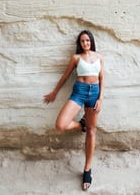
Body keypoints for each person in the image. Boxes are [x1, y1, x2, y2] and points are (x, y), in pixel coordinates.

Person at [43, 29, 104, 190]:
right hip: (79, 92)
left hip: (94, 93)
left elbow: (102, 78)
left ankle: (87, 170)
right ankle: (80, 125)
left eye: (88, 40)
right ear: (79, 43)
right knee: (60, 125)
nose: (85, 43)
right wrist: (55, 92)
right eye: (83, 41)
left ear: (91, 42)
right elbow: (65, 76)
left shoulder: (99, 57)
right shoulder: (76, 58)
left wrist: (100, 99)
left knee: (92, 131)